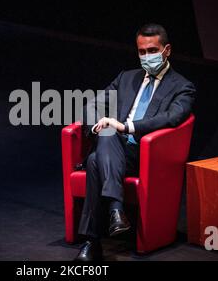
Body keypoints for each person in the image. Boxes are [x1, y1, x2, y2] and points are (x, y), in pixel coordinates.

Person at [75, 23, 196, 261]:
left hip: (146, 154)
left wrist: (126, 126)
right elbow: (92, 104)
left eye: (152, 50)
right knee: (105, 139)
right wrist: (98, 124)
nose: (147, 56)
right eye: (142, 52)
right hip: (114, 151)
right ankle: (114, 213)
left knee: (93, 161)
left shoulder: (183, 87)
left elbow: (172, 118)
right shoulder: (126, 78)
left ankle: (93, 239)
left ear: (167, 50)